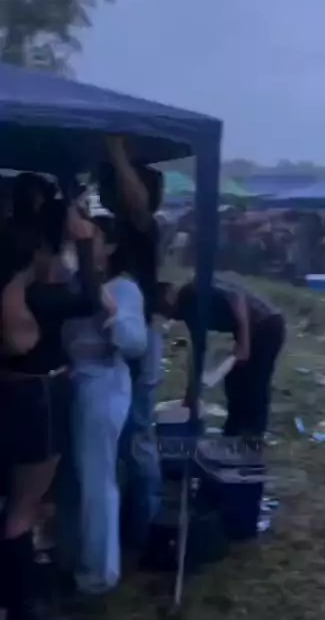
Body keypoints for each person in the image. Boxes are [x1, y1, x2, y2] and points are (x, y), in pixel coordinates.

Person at [0, 202, 108, 620]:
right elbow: (91, 300)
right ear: (32, 257)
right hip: (37, 402)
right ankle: (22, 603)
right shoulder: (38, 298)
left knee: (13, 499)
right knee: (24, 507)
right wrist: (84, 245)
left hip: (10, 396)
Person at [60, 216, 147, 600]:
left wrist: (107, 307)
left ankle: (99, 572)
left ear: (109, 247)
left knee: (97, 477)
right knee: (71, 477)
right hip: (68, 385)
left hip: (102, 387)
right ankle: (70, 555)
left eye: (91, 237)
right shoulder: (68, 281)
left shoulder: (123, 288)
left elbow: (134, 342)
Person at [98, 136, 163, 549]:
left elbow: (137, 201)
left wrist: (117, 153)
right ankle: (130, 519)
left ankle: (144, 528)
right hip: (127, 336)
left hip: (140, 339)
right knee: (122, 433)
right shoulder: (118, 229)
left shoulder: (144, 225)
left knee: (137, 433)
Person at [155, 279, 285, 442]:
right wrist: (191, 394)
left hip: (267, 324)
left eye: (162, 308)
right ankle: (233, 434)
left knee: (255, 384)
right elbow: (197, 350)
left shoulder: (192, 292)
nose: (167, 316)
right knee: (234, 381)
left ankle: (253, 439)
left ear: (168, 296)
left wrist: (243, 343)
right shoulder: (187, 312)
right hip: (253, 329)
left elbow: (237, 297)